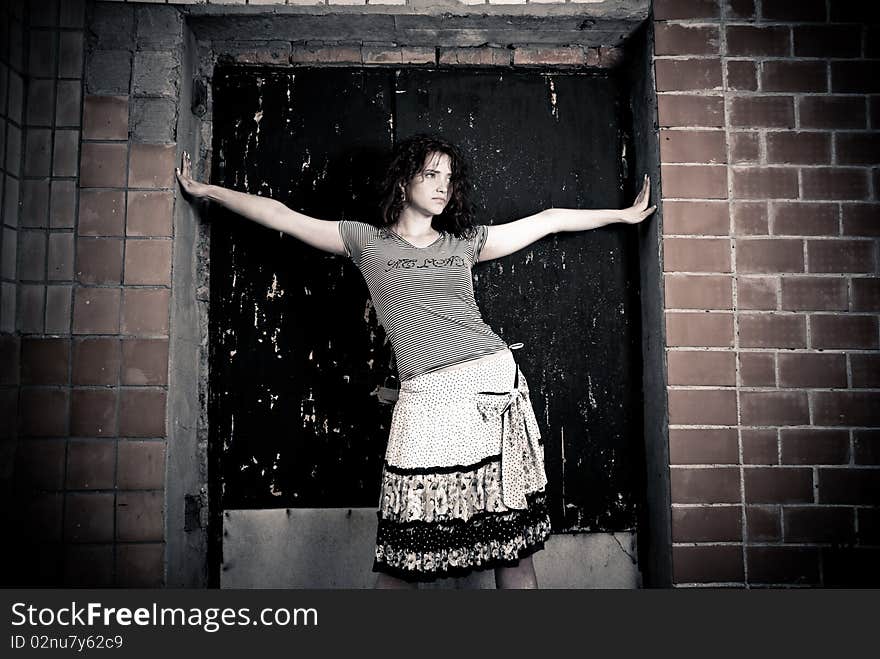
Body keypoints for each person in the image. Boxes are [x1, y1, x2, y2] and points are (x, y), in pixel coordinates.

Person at [176, 134, 656, 589]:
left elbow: (548, 219)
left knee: (512, 545)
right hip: (425, 394)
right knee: (404, 549)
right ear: (403, 180)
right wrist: (207, 190)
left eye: (448, 177)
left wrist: (623, 215)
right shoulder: (366, 241)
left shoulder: (463, 242)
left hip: (490, 386)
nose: (442, 186)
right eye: (430, 174)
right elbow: (282, 216)